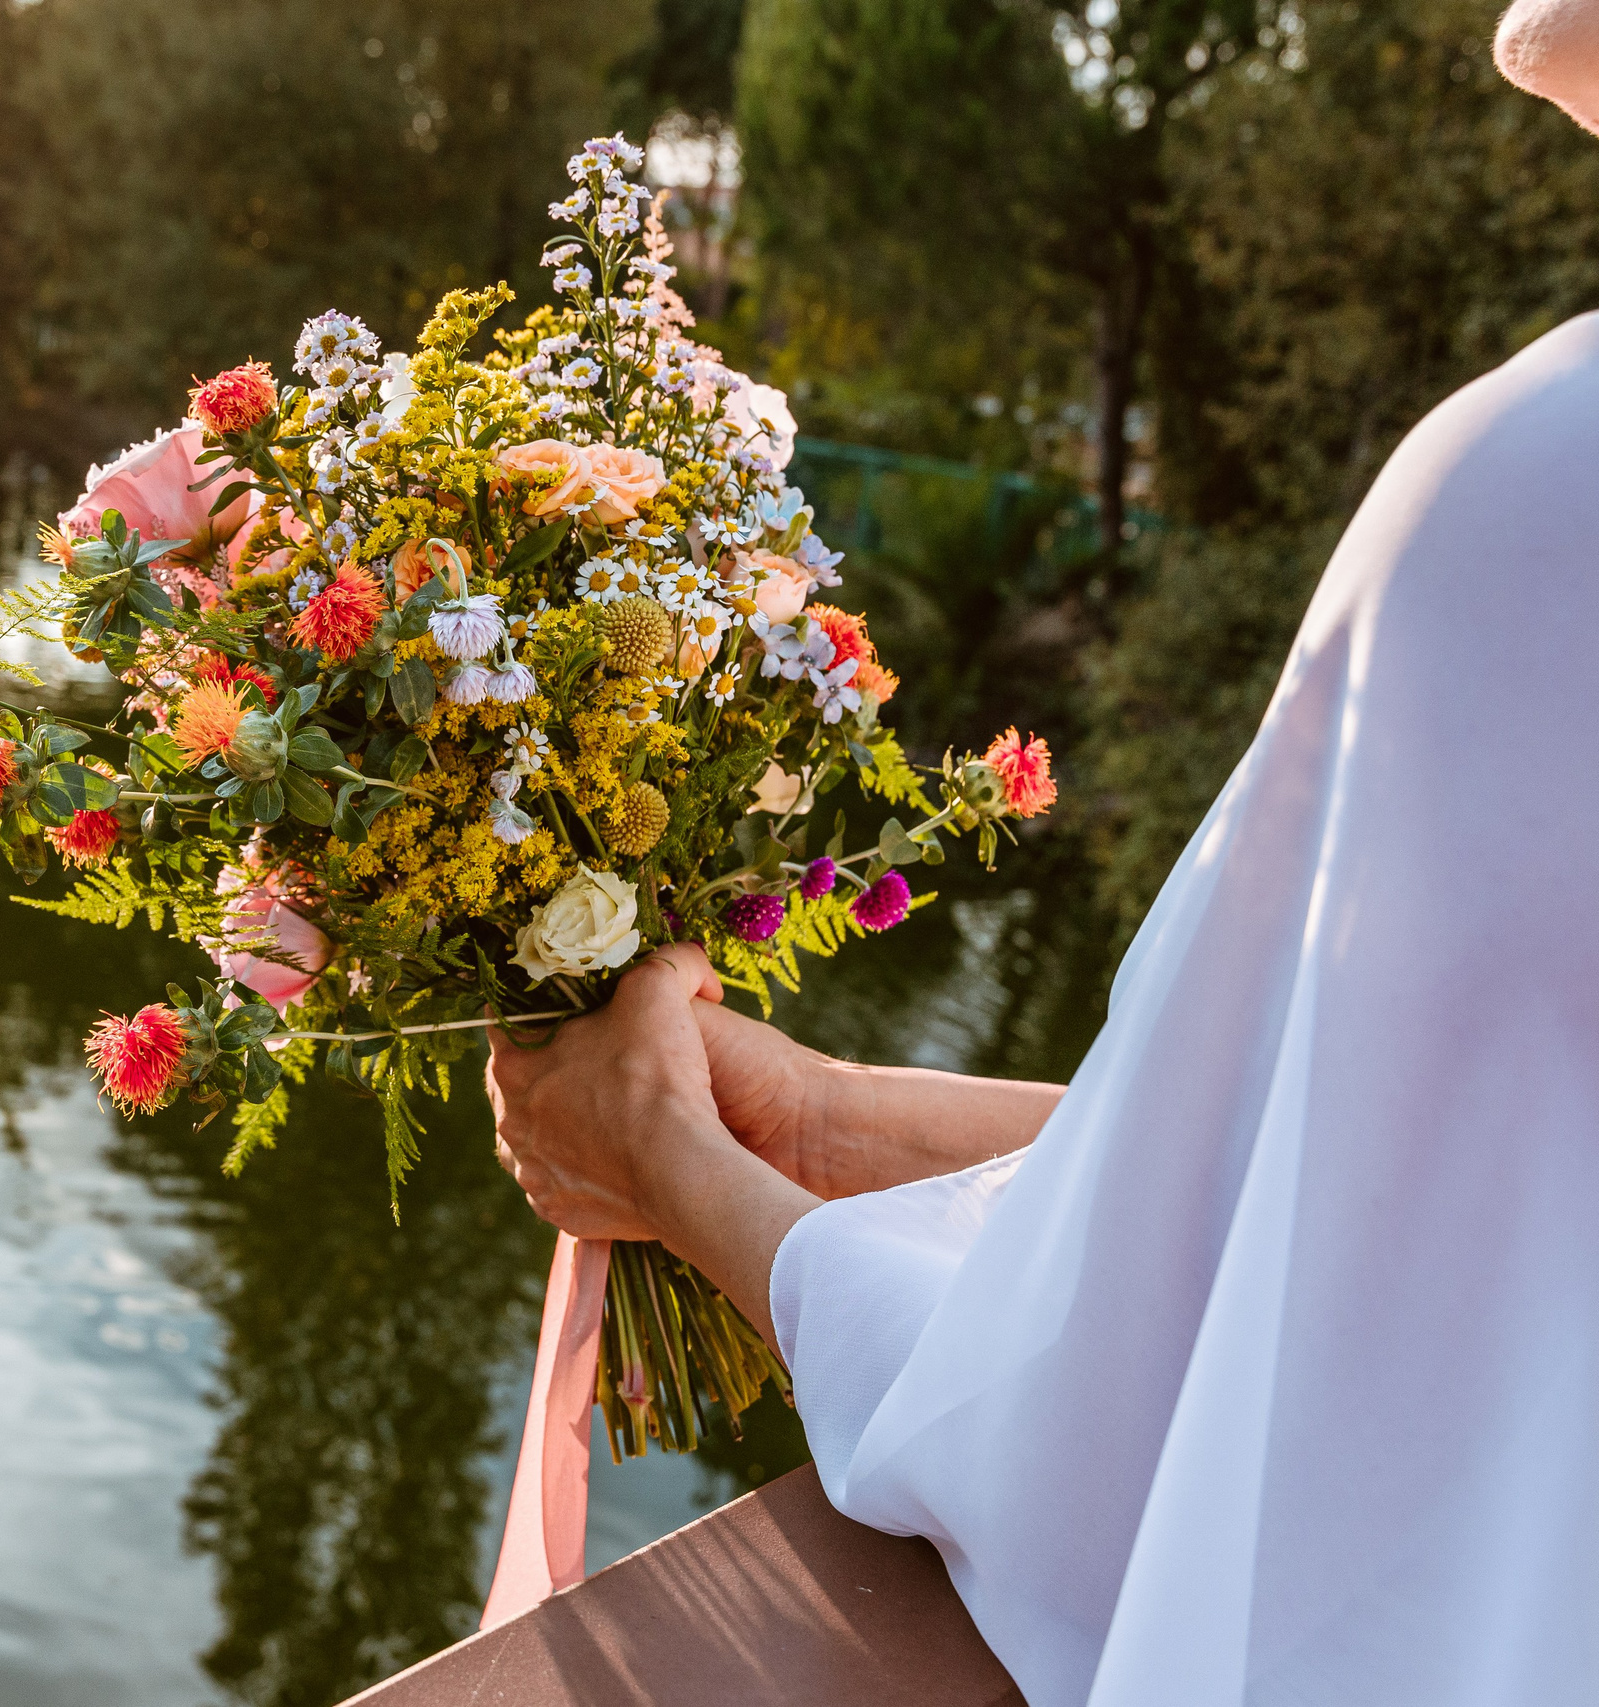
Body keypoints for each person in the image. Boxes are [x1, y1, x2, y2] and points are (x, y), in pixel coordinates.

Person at [485, 10, 1599, 1701]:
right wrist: (838, 1122)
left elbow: (1109, 1470)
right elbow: (1436, 1225)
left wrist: (668, 1154)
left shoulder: (1536, 495)